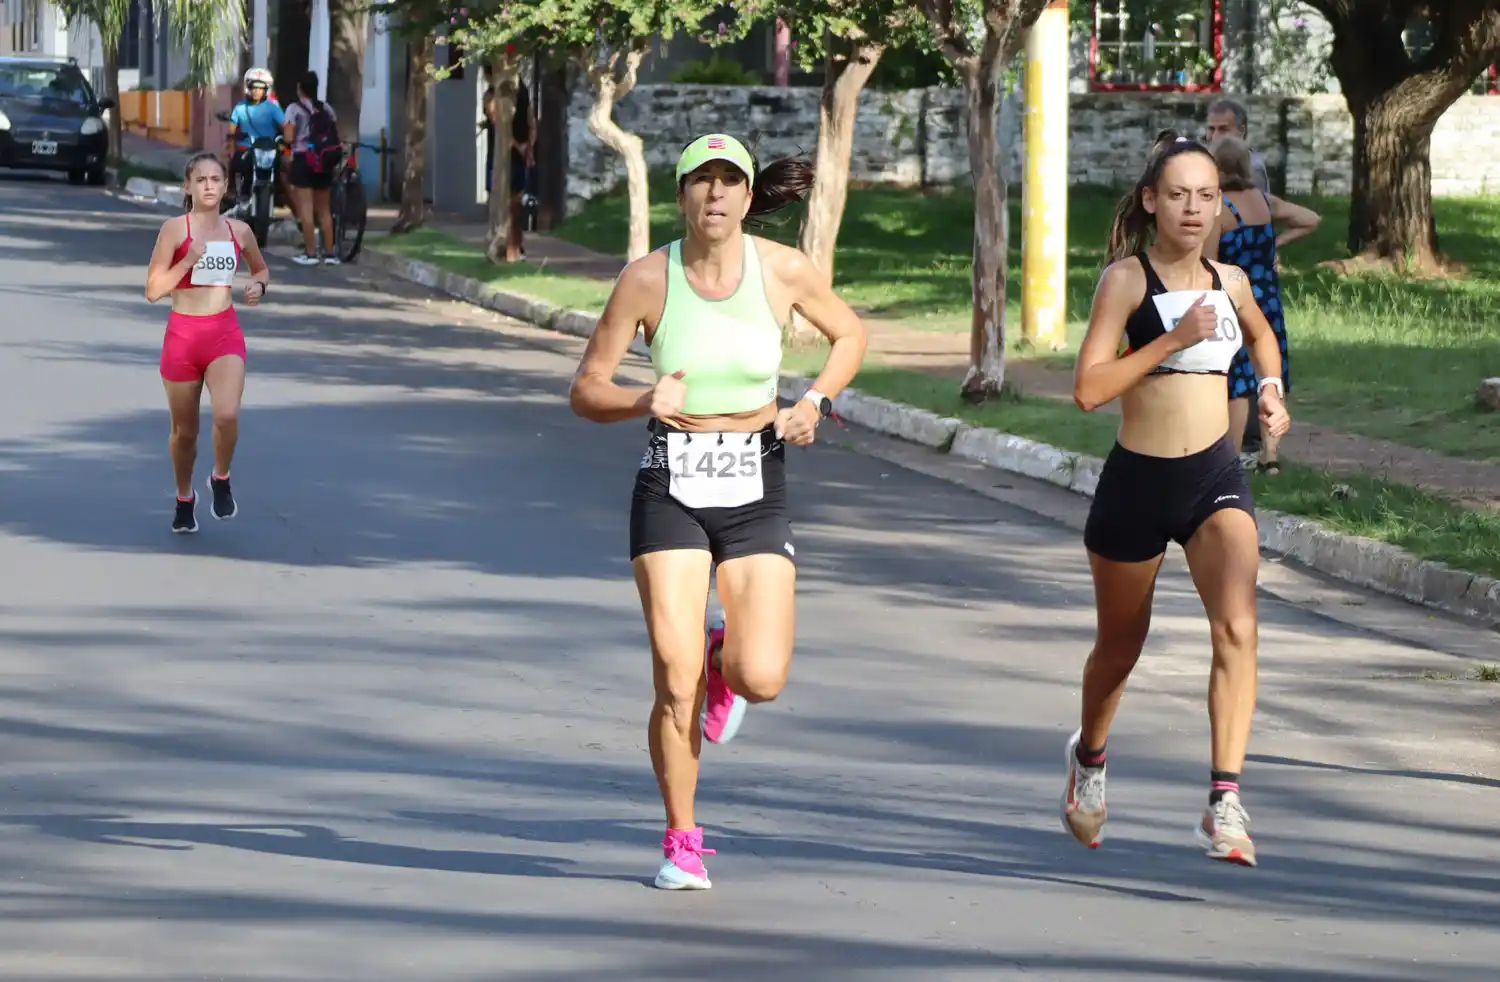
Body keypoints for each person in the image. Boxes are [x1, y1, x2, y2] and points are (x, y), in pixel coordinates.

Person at [568, 133, 867, 890]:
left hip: (755, 479)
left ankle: (721, 662)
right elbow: (585, 389)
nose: (715, 195)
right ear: (682, 198)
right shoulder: (646, 280)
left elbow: (850, 333)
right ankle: (681, 838)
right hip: (671, 478)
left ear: (744, 195)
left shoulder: (781, 269)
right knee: (673, 684)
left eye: (729, 181)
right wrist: (642, 398)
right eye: (701, 182)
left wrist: (818, 400)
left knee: (761, 676)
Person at [1062, 130, 1291, 868]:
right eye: (1178, 195)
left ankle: (1224, 798)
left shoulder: (1233, 284)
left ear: (1221, 206)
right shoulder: (1126, 283)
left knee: (1239, 627)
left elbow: (1261, 339)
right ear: (1151, 202)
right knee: (1119, 650)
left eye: (1206, 196)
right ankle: (1089, 759)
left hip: (1213, 478)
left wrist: (1273, 393)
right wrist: (1170, 340)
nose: (1193, 209)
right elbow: (1089, 390)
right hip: (1137, 483)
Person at [144, 152, 270, 533]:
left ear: (226, 186)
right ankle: (185, 496)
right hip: (183, 335)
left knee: (227, 414)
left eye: (216, 179)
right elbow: (153, 290)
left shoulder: (239, 232)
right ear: (189, 187)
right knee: (185, 433)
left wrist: (258, 286)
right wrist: (186, 262)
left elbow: (260, 267)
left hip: (223, 332)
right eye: (202, 180)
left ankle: (221, 476)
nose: (210, 186)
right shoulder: (174, 230)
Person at [1206, 134, 1321, 475]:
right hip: (1267, 296)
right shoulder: (1263, 200)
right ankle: (1270, 456)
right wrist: (1276, 246)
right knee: (1272, 372)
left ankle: (1231, 456)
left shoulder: (1220, 207)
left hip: (1234, 299)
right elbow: (1311, 219)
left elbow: (1208, 261)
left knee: (1238, 375)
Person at [282, 71, 342, 266]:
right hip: (324, 162)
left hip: (303, 161)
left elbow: (289, 138)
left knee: (306, 209)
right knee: (324, 210)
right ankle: (331, 254)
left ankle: (310, 253)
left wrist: (286, 151)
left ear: (300, 88)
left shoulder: (293, 109)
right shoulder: (327, 109)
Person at [223, 67, 285, 210]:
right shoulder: (239, 108)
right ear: (248, 88)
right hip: (247, 150)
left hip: (270, 150)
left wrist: (287, 140)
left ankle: (280, 196)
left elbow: (284, 127)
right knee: (236, 163)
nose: (257, 91)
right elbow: (231, 131)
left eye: (261, 88)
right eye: (253, 87)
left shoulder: (273, 108)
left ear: (266, 90)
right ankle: (236, 192)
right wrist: (232, 147)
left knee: (284, 170)